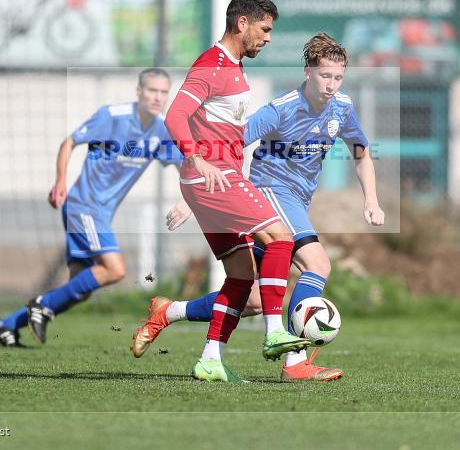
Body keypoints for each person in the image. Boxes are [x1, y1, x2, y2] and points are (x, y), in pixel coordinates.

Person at [132, 33, 385, 381]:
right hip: (269, 191)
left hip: (297, 199)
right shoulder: (279, 110)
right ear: (308, 71)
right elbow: (230, 145)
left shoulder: (342, 108)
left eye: (338, 77)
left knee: (251, 298)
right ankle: (295, 362)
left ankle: (169, 311)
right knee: (317, 263)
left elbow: (361, 151)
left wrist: (370, 200)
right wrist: (197, 193)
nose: (331, 84)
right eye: (325, 76)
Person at [162, 0, 311, 383]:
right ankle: (276, 330)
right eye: (264, 29)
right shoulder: (211, 66)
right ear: (241, 23)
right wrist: (196, 158)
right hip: (216, 178)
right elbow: (175, 117)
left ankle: (211, 358)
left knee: (243, 275)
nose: (269, 37)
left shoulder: (234, 67)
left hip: (211, 182)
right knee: (280, 239)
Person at [0, 68, 188, 347]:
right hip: (84, 206)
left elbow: (187, 167)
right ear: (139, 91)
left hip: (100, 214)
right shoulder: (111, 116)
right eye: (152, 90)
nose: (158, 97)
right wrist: (60, 182)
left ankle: (6, 325)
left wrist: (187, 201)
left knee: (80, 289)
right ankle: (41, 306)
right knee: (115, 270)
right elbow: (69, 142)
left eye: (163, 92)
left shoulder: (161, 130)